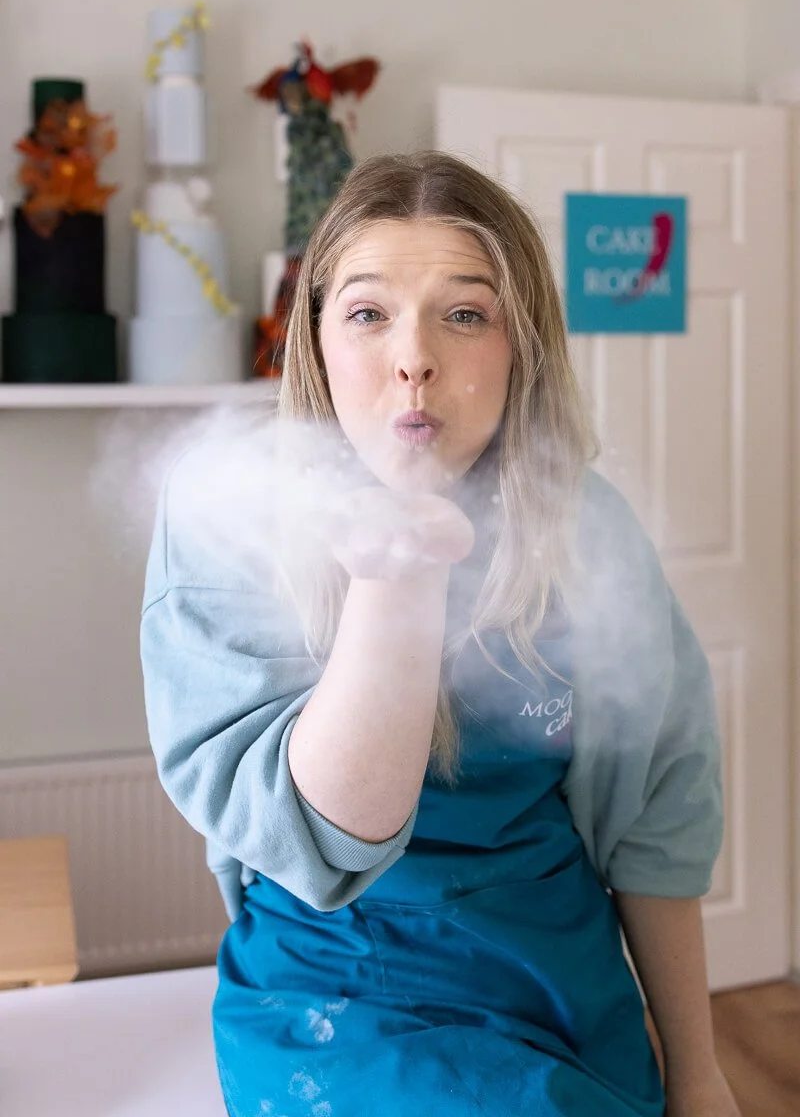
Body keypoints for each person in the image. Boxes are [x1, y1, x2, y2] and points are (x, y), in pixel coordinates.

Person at [141, 151, 741, 1117]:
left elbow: (658, 832)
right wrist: (401, 570)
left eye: (465, 314)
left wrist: (702, 1074)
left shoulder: (590, 531)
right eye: (369, 313)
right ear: (319, 343)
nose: (413, 357)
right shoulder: (232, 522)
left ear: (520, 346)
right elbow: (324, 842)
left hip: (560, 984)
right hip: (335, 995)